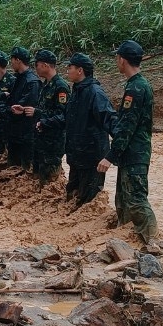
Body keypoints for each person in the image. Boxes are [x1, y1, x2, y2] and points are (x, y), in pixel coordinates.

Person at [99, 40, 158, 243]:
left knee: (136, 201)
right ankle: (126, 241)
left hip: (135, 153)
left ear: (122, 60)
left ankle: (153, 242)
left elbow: (127, 127)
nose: (117, 61)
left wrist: (110, 156)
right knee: (123, 200)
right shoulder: (135, 85)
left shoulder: (136, 88)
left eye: (117, 57)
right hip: (131, 153)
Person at [54, 53, 115, 209]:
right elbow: (68, 119)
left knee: (89, 202)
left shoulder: (95, 93)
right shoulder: (77, 91)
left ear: (80, 70)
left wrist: (114, 153)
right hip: (76, 156)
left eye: (70, 67)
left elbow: (110, 121)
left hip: (92, 159)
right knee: (72, 197)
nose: (67, 71)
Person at [31, 50, 71, 184]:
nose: (35, 68)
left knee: (52, 180)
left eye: (36, 65)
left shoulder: (60, 86)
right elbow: (45, 109)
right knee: (41, 178)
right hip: (42, 139)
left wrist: (40, 116)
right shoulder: (45, 85)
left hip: (53, 141)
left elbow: (63, 115)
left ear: (45, 65)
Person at [0, 46, 40, 170]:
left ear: (17, 60)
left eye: (12, 60)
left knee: (25, 168)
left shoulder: (31, 81)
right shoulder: (19, 78)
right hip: (14, 132)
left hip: (25, 133)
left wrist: (2, 112)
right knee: (13, 168)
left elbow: (21, 107)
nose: (11, 63)